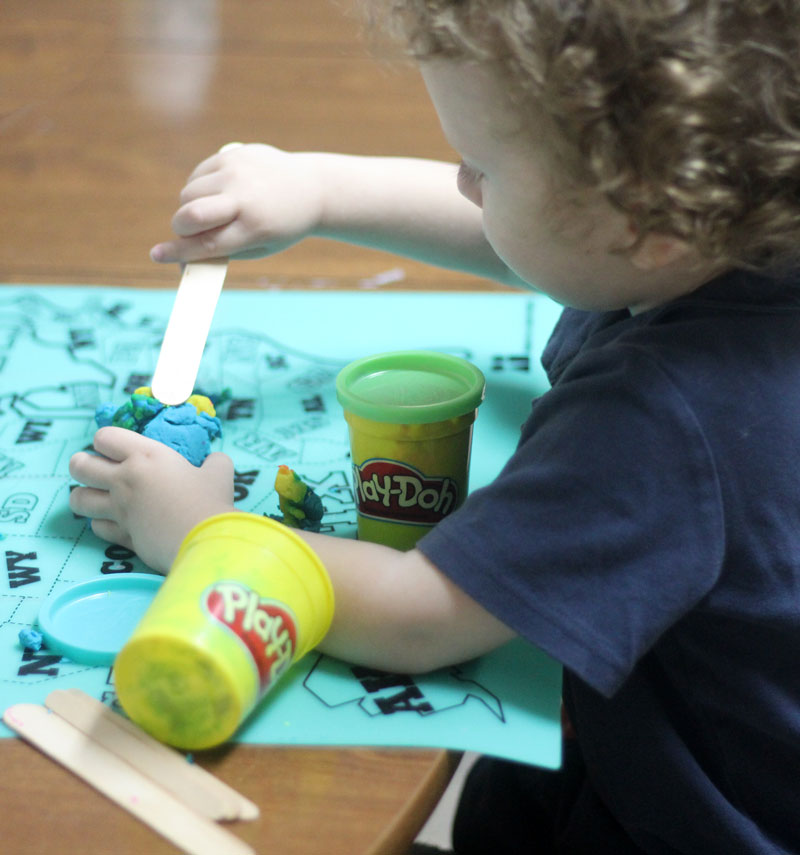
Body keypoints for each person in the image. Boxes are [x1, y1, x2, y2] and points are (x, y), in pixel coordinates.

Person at [69, 2, 800, 853]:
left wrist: (198, 530)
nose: (463, 184)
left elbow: (420, 615)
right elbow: (543, 233)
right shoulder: (739, 217)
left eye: (480, 165)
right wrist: (319, 188)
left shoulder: (660, 421)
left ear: (644, 217)